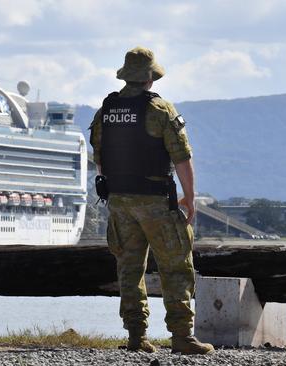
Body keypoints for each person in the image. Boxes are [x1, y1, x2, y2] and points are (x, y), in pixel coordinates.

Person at [89, 47, 214, 355]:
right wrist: (190, 198)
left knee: (129, 269)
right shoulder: (160, 110)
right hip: (156, 201)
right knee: (176, 267)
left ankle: (136, 335)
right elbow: (182, 158)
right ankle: (182, 336)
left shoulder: (106, 111)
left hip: (119, 201)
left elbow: (100, 160)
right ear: (150, 78)